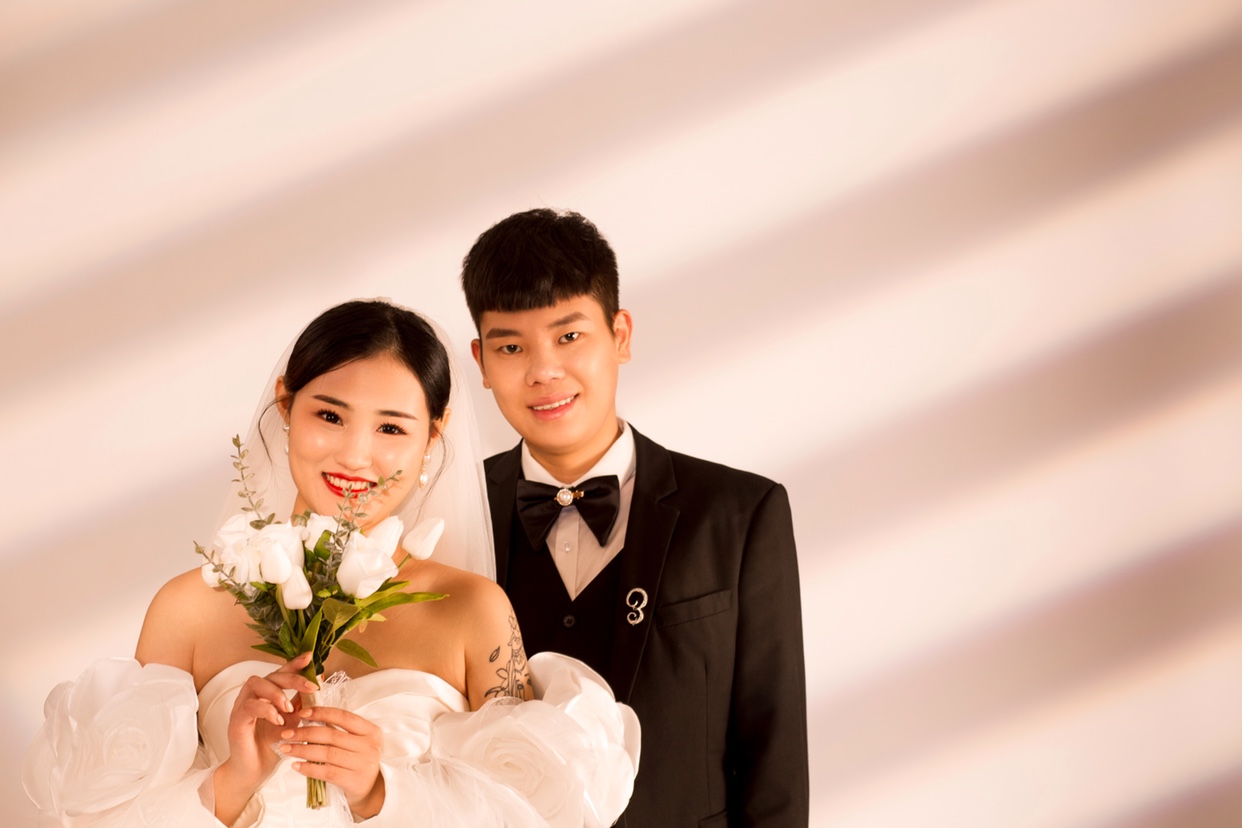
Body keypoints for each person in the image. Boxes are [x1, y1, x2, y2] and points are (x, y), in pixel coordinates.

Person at [23, 300, 639, 828]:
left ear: (434, 435)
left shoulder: (473, 610)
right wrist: (234, 782)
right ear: (285, 404)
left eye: (391, 428)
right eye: (329, 415)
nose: (355, 456)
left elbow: (527, 815)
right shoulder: (188, 608)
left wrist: (380, 793)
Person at [461, 209, 809, 826]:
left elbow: (772, 753)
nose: (543, 371)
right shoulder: (453, 512)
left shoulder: (740, 513)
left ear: (620, 334)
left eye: (569, 336)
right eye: (511, 347)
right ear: (481, 362)